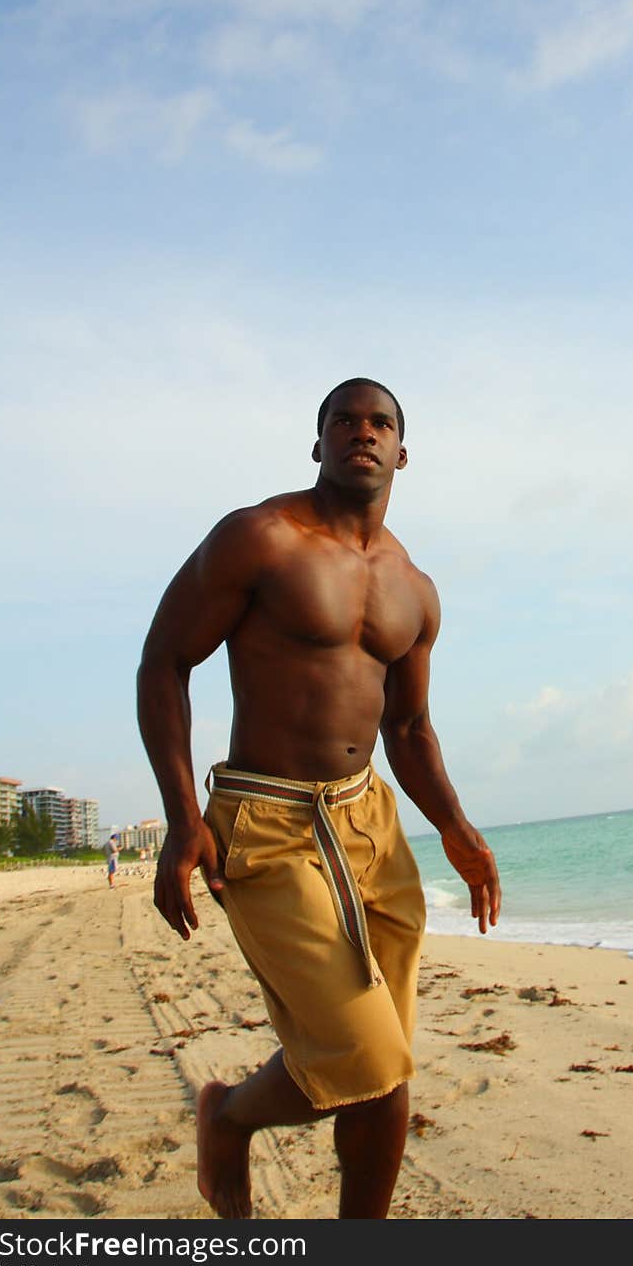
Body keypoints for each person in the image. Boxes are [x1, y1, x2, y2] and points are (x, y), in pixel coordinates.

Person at [136, 378, 501, 1221]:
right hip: (266, 823)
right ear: (319, 444)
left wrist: (457, 827)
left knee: (387, 1071)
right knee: (370, 1062)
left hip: (370, 821)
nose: (361, 432)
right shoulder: (259, 539)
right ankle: (228, 1116)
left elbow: (409, 729)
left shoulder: (415, 588)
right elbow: (164, 661)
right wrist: (182, 820)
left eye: (380, 423)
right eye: (344, 420)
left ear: (402, 453)